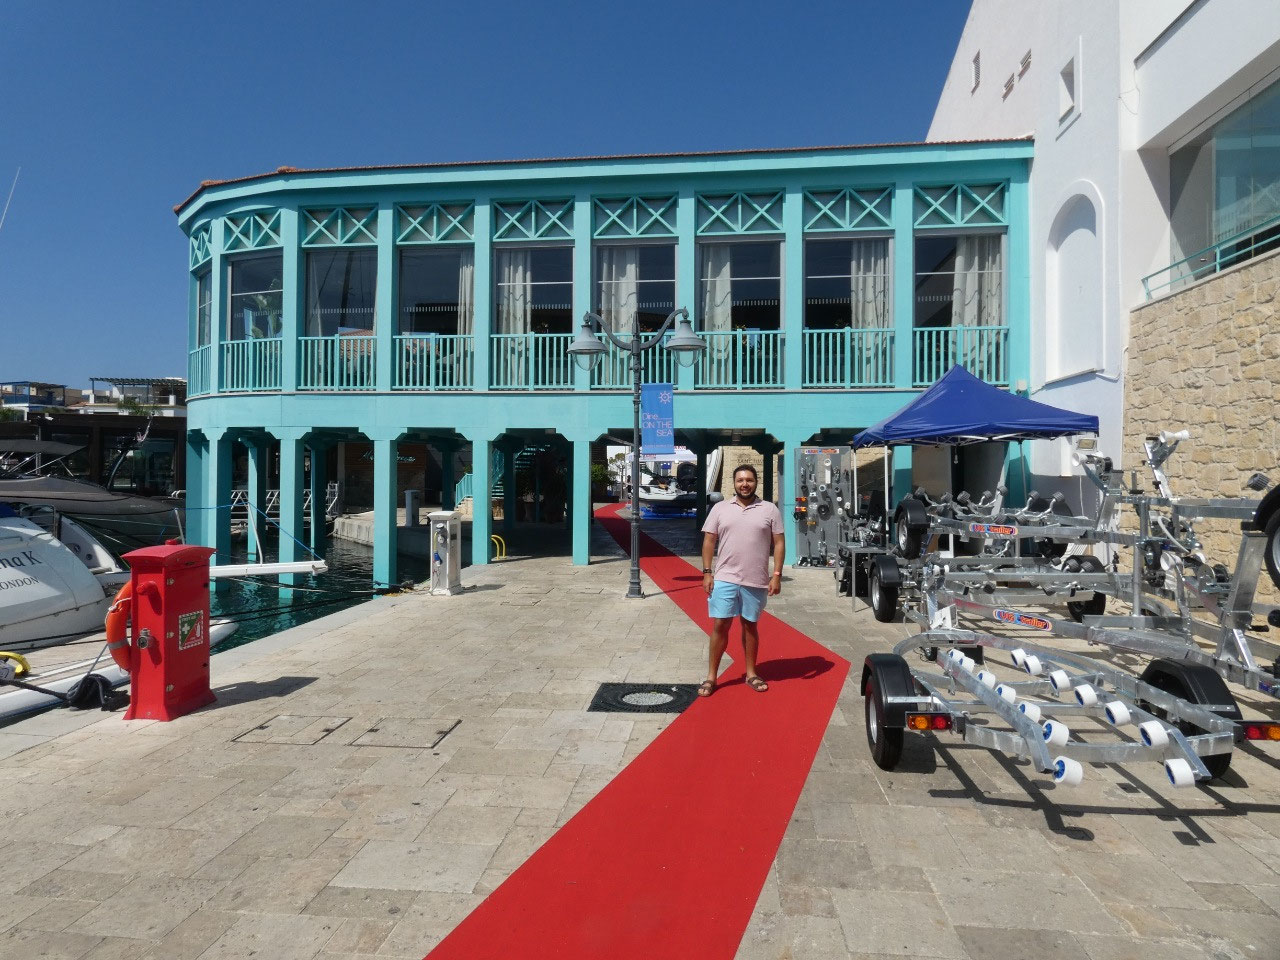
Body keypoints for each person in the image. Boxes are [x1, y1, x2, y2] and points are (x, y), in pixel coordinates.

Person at [698, 463, 784, 696]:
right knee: (720, 624)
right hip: (725, 577)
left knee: (749, 625)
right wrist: (707, 572)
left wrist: (776, 575)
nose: (745, 484)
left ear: (756, 483)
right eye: (740, 480)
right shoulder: (720, 509)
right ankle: (711, 677)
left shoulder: (769, 509)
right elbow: (709, 541)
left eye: (749, 480)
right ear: (734, 483)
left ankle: (751, 673)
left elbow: (779, 543)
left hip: (756, 579)